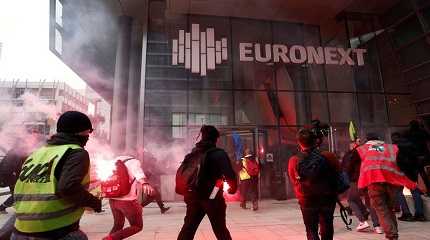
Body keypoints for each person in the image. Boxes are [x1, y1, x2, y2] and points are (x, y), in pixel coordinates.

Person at [11, 111, 102, 240]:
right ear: (79, 132)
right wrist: (94, 202)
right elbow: (68, 188)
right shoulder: (76, 152)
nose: (88, 136)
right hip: (54, 230)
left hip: (20, 230)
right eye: (88, 132)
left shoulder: (37, 153)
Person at [357, 132, 425, 240]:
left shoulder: (362, 149)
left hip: (374, 183)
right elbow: (402, 163)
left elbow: (353, 164)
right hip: (392, 183)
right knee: (389, 209)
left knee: (382, 209)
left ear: (367, 140)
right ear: (379, 138)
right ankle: (394, 232)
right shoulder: (391, 148)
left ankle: (392, 235)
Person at [177, 125, 237, 240]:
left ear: (202, 137)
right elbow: (229, 174)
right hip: (212, 197)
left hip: (193, 196)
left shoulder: (193, 153)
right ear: (216, 139)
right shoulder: (219, 154)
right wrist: (232, 188)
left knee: (188, 228)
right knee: (220, 229)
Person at [288, 128, 339, 240]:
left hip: (307, 199)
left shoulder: (294, 160)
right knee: (327, 227)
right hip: (327, 197)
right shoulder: (328, 155)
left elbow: (294, 180)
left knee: (311, 230)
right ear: (315, 141)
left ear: (299, 142)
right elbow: (338, 173)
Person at [103, 153, 154, 240]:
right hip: (127, 200)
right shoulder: (133, 161)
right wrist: (145, 183)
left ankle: (111, 238)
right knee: (137, 226)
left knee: (118, 225)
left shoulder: (114, 161)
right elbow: (138, 173)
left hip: (113, 199)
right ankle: (109, 239)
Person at [342, 141, 382, 233]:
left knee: (351, 200)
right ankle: (377, 226)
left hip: (357, 179)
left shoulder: (356, 151)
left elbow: (348, 165)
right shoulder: (375, 149)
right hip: (370, 178)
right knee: (370, 202)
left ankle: (362, 221)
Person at [391, 132, 425, 221]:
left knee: (399, 192)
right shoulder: (411, 145)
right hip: (412, 172)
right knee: (415, 192)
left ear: (394, 138)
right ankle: (420, 214)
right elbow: (417, 158)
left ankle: (407, 213)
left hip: (400, 173)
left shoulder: (394, 147)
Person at [405, 120, 430, 193]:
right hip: (424, 155)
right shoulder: (423, 132)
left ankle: (421, 190)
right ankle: (427, 187)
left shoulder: (408, 134)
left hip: (414, 156)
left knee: (417, 173)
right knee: (426, 172)